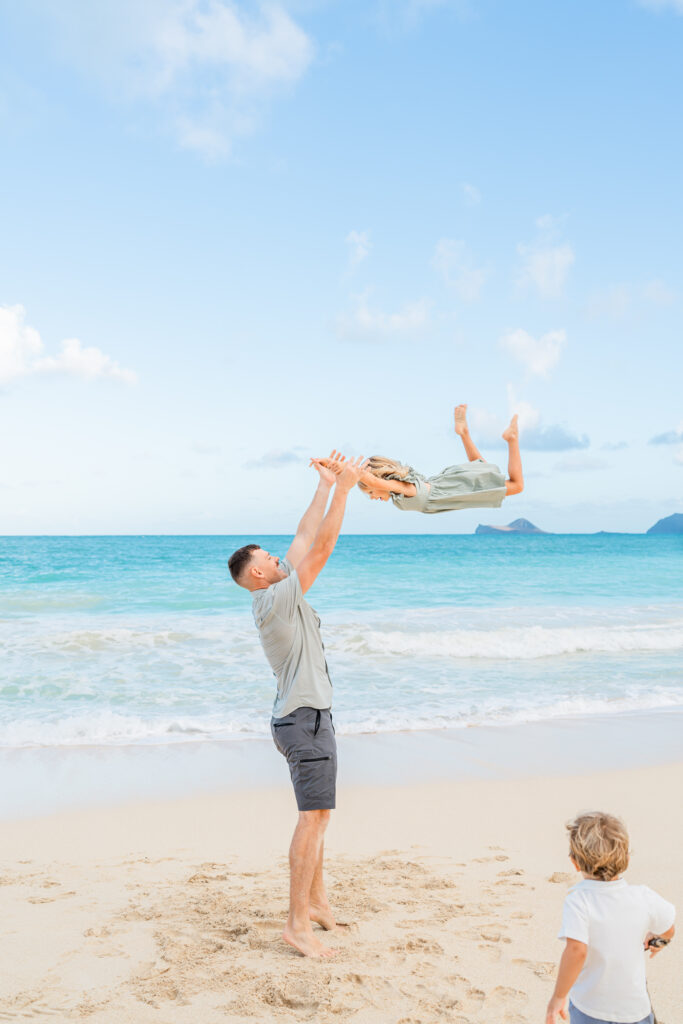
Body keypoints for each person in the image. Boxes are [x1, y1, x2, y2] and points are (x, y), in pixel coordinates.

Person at [228, 453, 364, 959]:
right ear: (257, 574)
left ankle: (318, 905)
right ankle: (295, 925)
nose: (278, 556)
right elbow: (319, 545)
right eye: (268, 556)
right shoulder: (274, 598)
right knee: (313, 819)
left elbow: (304, 540)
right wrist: (345, 491)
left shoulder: (281, 594)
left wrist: (325, 485)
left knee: (319, 816)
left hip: (307, 717)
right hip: (302, 721)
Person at [546, 811, 676, 1024]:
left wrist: (558, 998)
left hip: (590, 1009)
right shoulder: (642, 896)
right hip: (636, 1010)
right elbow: (668, 927)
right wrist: (659, 940)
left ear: (575, 862)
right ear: (626, 858)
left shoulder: (578, 900)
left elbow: (577, 950)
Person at [320, 404, 522, 514]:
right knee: (481, 469)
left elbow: (372, 479)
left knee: (517, 485)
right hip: (451, 488)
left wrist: (337, 466)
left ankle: (511, 439)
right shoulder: (398, 497)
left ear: (383, 481)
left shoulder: (404, 489)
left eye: (371, 492)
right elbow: (372, 480)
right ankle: (463, 433)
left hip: (455, 490)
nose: (372, 497)